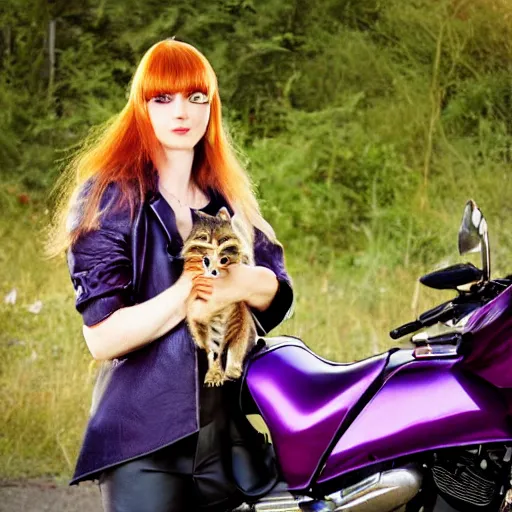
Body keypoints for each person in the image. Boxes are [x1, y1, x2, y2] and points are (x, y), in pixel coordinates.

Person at [46, 38, 294, 511]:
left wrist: (246, 283)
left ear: (211, 106)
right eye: (164, 98)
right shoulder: (108, 199)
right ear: (142, 106)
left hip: (233, 442)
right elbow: (102, 338)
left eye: (196, 97)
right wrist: (188, 289)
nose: (182, 111)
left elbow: (278, 293)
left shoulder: (231, 200)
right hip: (145, 447)